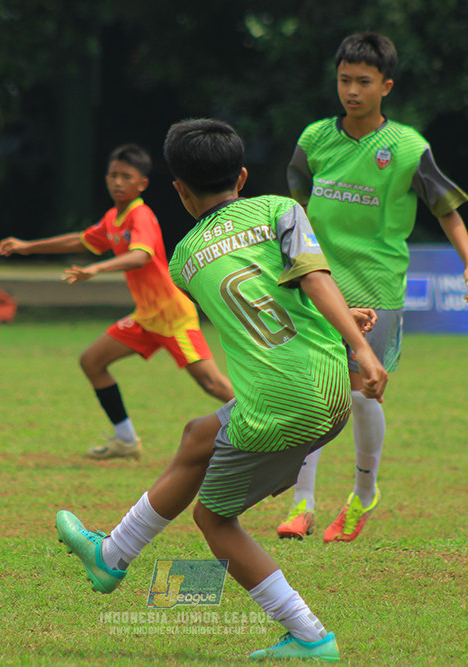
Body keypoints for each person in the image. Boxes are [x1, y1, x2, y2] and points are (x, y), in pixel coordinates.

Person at [55, 118, 388, 661]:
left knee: (213, 519)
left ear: (179, 190)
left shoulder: (185, 258)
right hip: (326, 387)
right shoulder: (281, 208)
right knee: (196, 436)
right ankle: (110, 556)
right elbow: (307, 280)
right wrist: (359, 342)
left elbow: (251, 292)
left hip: (281, 403)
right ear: (242, 174)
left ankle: (309, 636)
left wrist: (354, 335)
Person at [278, 31, 468, 542]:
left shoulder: (408, 148)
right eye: (344, 80)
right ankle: (301, 503)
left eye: (364, 82)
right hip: (320, 284)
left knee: (363, 396)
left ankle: (363, 494)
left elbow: (447, 210)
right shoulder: (313, 141)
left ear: (386, 86)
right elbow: (294, 210)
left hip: (376, 289)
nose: (352, 90)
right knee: (312, 394)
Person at [0, 144, 233, 460]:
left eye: (126, 176)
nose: (117, 182)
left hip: (172, 315)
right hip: (146, 316)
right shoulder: (113, 219)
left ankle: (272, 428)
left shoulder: (141, 215)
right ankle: (126, 440)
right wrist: (28, 247)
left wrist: (97, 267)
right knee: (92, 361)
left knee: (213, 385)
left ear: (142, 184)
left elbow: (139, 256)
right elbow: (80, 240)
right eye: (113, 175)